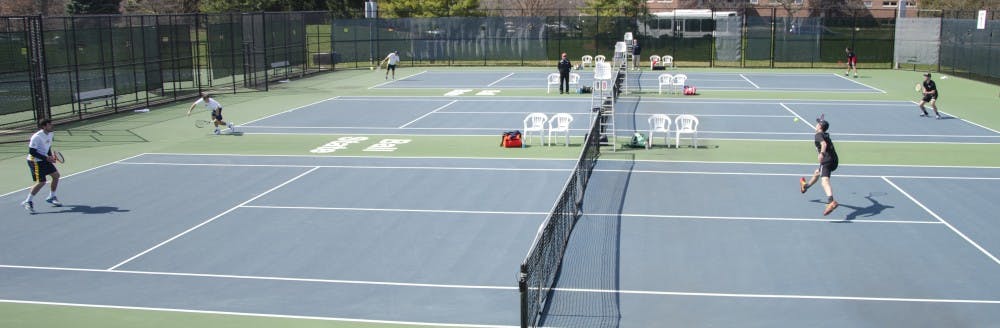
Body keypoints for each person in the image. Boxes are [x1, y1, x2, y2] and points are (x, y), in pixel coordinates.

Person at [799, 117, 839, 216]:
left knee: (824, 181)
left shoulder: (818, 135)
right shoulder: (825, 134)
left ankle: (831, 201)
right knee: (817, 172)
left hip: (827, 160)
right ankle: (805, 186)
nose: (816, 125)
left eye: (818, 124)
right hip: (834, 160)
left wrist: (821, 153)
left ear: (820, 126)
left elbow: (823, 144)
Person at [22, 119, 62, 213]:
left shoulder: (51, 134)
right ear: (44, 126)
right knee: (42, 182)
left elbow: (48, 146)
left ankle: (51, 197)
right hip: (35, 161)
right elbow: (32, 152)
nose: (52, 126)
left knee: (56, 176)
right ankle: (28, 201)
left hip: (44, 159)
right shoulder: (36, 137)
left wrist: (50, 156)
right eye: (49, 125)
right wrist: (46, 158)